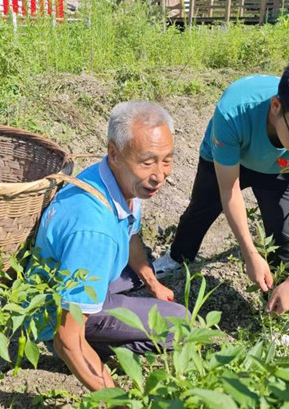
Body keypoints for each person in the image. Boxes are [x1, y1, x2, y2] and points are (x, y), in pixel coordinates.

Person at [153, 49, 289, 314]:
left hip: (283, 169)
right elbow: (228, 188)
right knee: (201, 209)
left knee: (285, 231)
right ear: (277, 107)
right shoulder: (234, 111)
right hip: (231, 156)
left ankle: (280, 291)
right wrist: (250, 253)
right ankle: (177, 257)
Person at [28, 101, 186, 390]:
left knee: (137, 272)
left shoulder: (117, 179)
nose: (160, 175)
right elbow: (67, 338)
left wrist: (152, 283)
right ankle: (99, 352)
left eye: (166, 160)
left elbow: (130, 234)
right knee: (180, 325)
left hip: (78, 269)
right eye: (148, 161)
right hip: (55, 312)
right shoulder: (94, 233)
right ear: (114, 153)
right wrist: (115, 401)